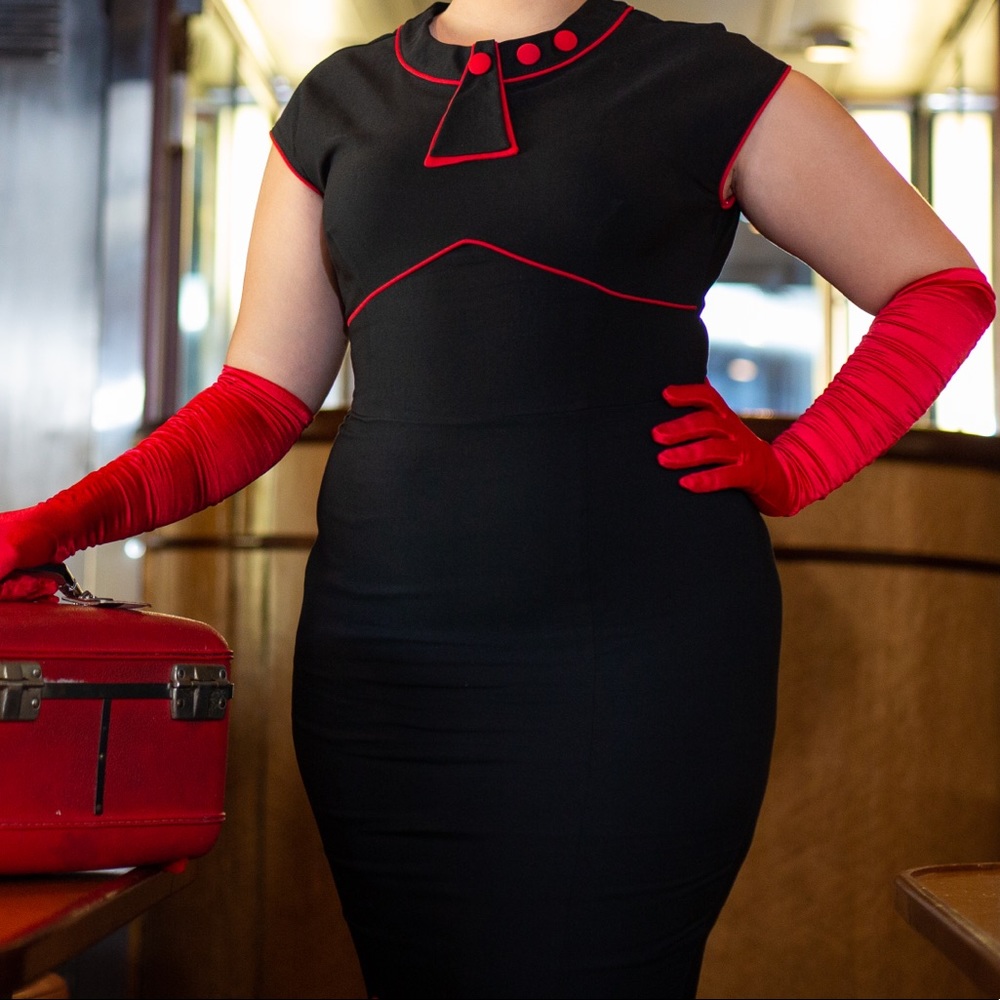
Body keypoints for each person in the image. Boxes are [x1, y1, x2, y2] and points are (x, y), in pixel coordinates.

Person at [0, 1, 994, 996]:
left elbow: (940, 287)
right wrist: (57, 523)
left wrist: (799, 462)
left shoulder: (704, 78)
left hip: (638, 657)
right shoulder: (333, 101)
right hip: (380, 662)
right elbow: (257, 401)